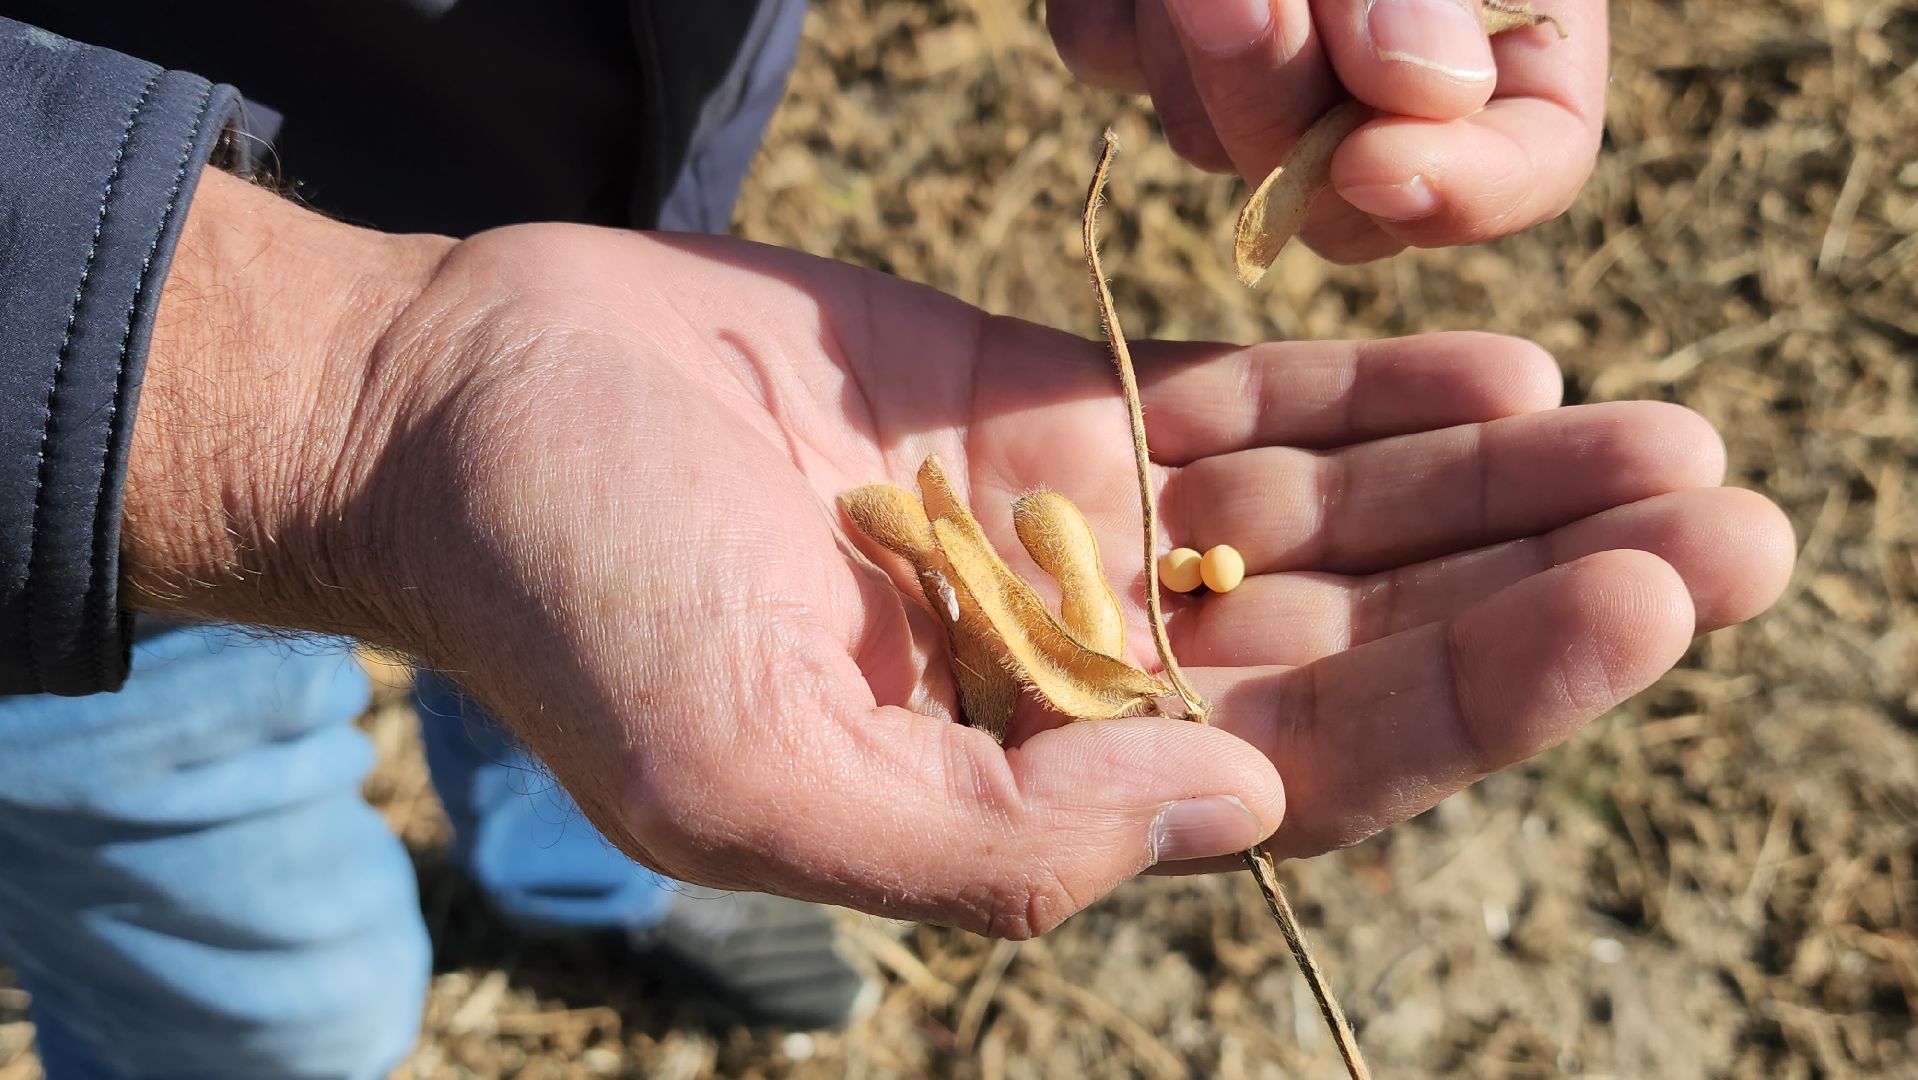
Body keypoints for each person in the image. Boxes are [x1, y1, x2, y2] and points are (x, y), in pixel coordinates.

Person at [0, 2, 1794, 1077]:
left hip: (627, 243)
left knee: (576, 700)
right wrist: (288, 383)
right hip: (70, 470)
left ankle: (582, 901)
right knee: (248, 975)